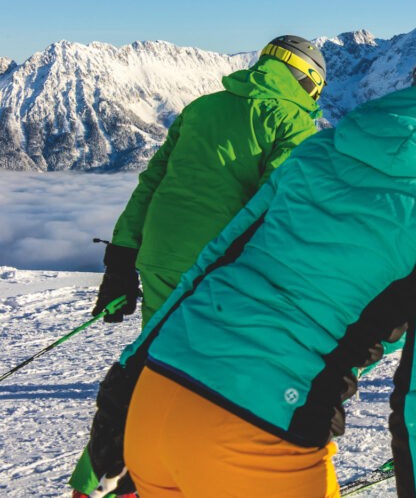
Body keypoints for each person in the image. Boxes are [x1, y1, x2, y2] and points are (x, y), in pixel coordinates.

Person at [81, 21, 416, 498]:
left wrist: (117, 398)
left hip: (155, 401)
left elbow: (211, 265)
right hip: (256, 436)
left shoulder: (319, 150)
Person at [71, 34, 327, 497]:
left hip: (158, 254)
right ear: (308, 83)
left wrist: (122, 260)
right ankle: (172, 480)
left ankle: (109, 481)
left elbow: (151, 183)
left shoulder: (202, 107)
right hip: (218, 268)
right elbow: (281, 212)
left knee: (153, 363)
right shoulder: (293, 123)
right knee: (207, 383)